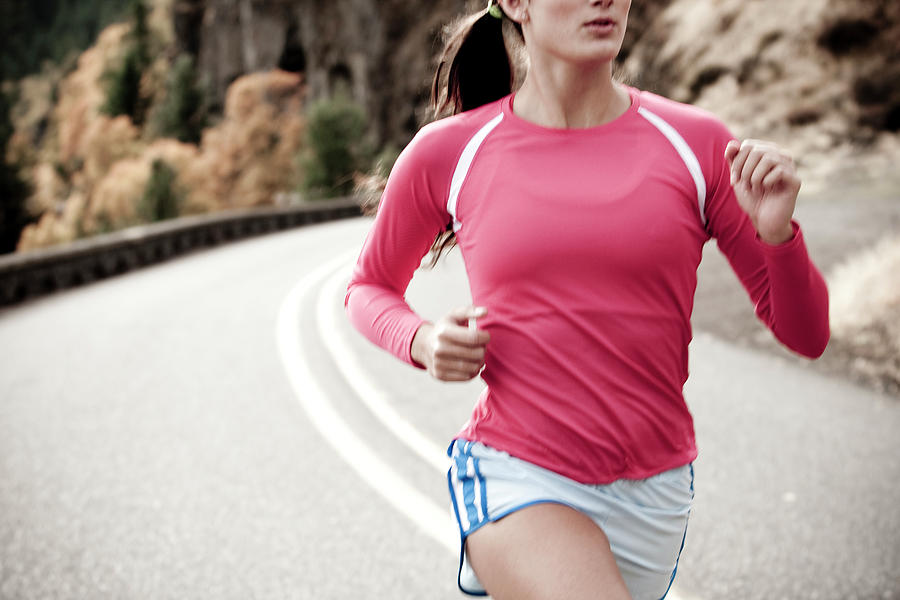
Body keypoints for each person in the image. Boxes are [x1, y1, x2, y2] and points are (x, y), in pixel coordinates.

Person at [344, 0, 830, 598]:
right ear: (517, 4)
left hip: (655, 491)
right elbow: (367, 288)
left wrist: (778, 236)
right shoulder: (450, 151)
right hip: (517, 473)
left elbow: (806, 335)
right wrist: (420, 339)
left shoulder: (697, 144)